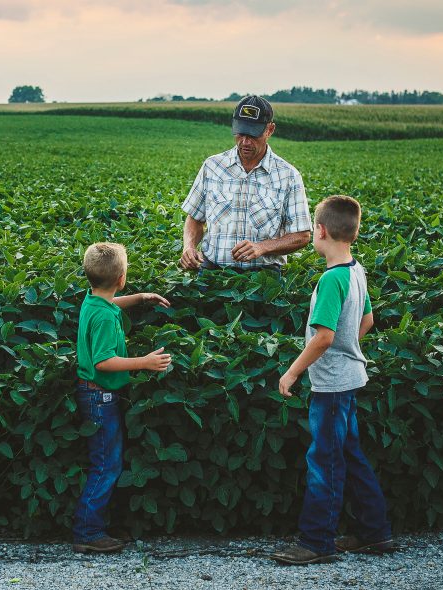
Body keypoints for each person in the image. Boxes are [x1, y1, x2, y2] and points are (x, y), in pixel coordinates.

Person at [269, 195, 395, 565]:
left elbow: (322, 336)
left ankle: (317, 541)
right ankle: (375, 532)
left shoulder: (330, 280)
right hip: (350, 377)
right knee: (350, 454)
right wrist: (348, 347)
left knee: (324, 460)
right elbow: (367, 320)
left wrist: (292, 371)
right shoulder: (356, 270)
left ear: (320, 231)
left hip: (331, 385)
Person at [72, 242, 172, 553]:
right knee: (107, 464)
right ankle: (87, 532)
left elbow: (111, 303)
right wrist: (144, 362)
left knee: (106, 461)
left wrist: (141, 298)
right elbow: (104, 361)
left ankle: (90, 528)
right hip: (99, 397)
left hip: (94, 393)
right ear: (121, 278)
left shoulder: (93, 301)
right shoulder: (103, 317)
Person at [180, 95, 311, 272]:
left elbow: (301, 236)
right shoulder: (212, 166)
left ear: (270, 130)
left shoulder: (288, 175)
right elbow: (194, 218)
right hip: (213, 270)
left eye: (253, 134)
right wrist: (189, 247)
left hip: (264, 277)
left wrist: (263, 247)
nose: (245, 142)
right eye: (241, 133)